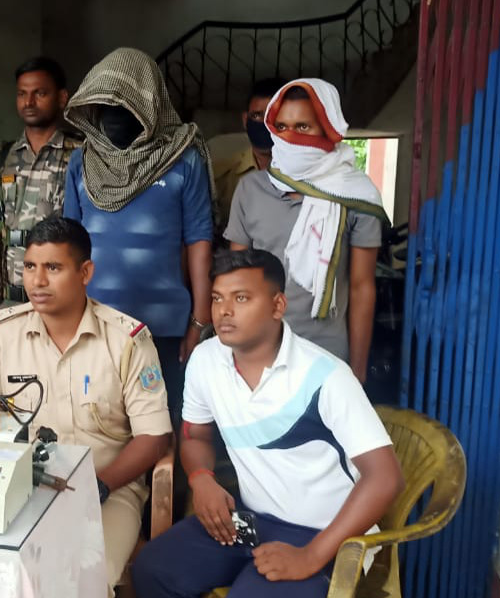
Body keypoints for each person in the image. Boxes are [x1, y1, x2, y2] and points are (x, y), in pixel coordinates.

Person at [131, 249, 403, 598]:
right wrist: (202, 478)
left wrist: (312, 555)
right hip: (253, 521)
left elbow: (385, 478)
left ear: (277, 306)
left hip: (326, 534)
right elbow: (195, 434)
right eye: (217, 298)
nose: (224, 311)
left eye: (241, 298)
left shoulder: (325, 376)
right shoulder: (206, 360)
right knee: (154, 572)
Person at [0, 216, 172, 592]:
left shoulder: (126, 340)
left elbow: (154, 436)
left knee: (80, 581)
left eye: (53, 268)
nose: (37, 281)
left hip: (107, 489)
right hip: (20, 487)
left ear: (85, 272)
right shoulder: (2, 335)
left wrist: (100, 485)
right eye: (30, 266)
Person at [62, 46, 214, 424]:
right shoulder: (82, 161)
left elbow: (199, 239)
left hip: (164, 325)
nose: (115, 116)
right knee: (96, 424)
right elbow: (68, 245)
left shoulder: (183, 158)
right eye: (106, 105)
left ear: (150, 105)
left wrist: (199, 319)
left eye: (126, 106)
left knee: (159, 425)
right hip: (93, 322)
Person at [224, 78, 386, 381]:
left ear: (328, 128)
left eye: (302, 127)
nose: (290, 137)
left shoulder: (356, 195)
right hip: (260, 352)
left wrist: (357, 371)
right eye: (281, 127)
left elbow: (362, 287)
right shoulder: (251, 189)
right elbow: (236, 279)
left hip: (326, 358)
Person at [0, 57, 82, 350]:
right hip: (4, 306)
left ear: (62, 98)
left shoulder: (80, 154)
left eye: (40, 93)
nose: (29, 102)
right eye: (22, 93)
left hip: (61, 305)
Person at [206, 78, 282, 232]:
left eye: (273, 116)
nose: (265, 124)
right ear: (245, 119)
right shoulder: (221, 177)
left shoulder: (307, 177)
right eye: (257, 116)